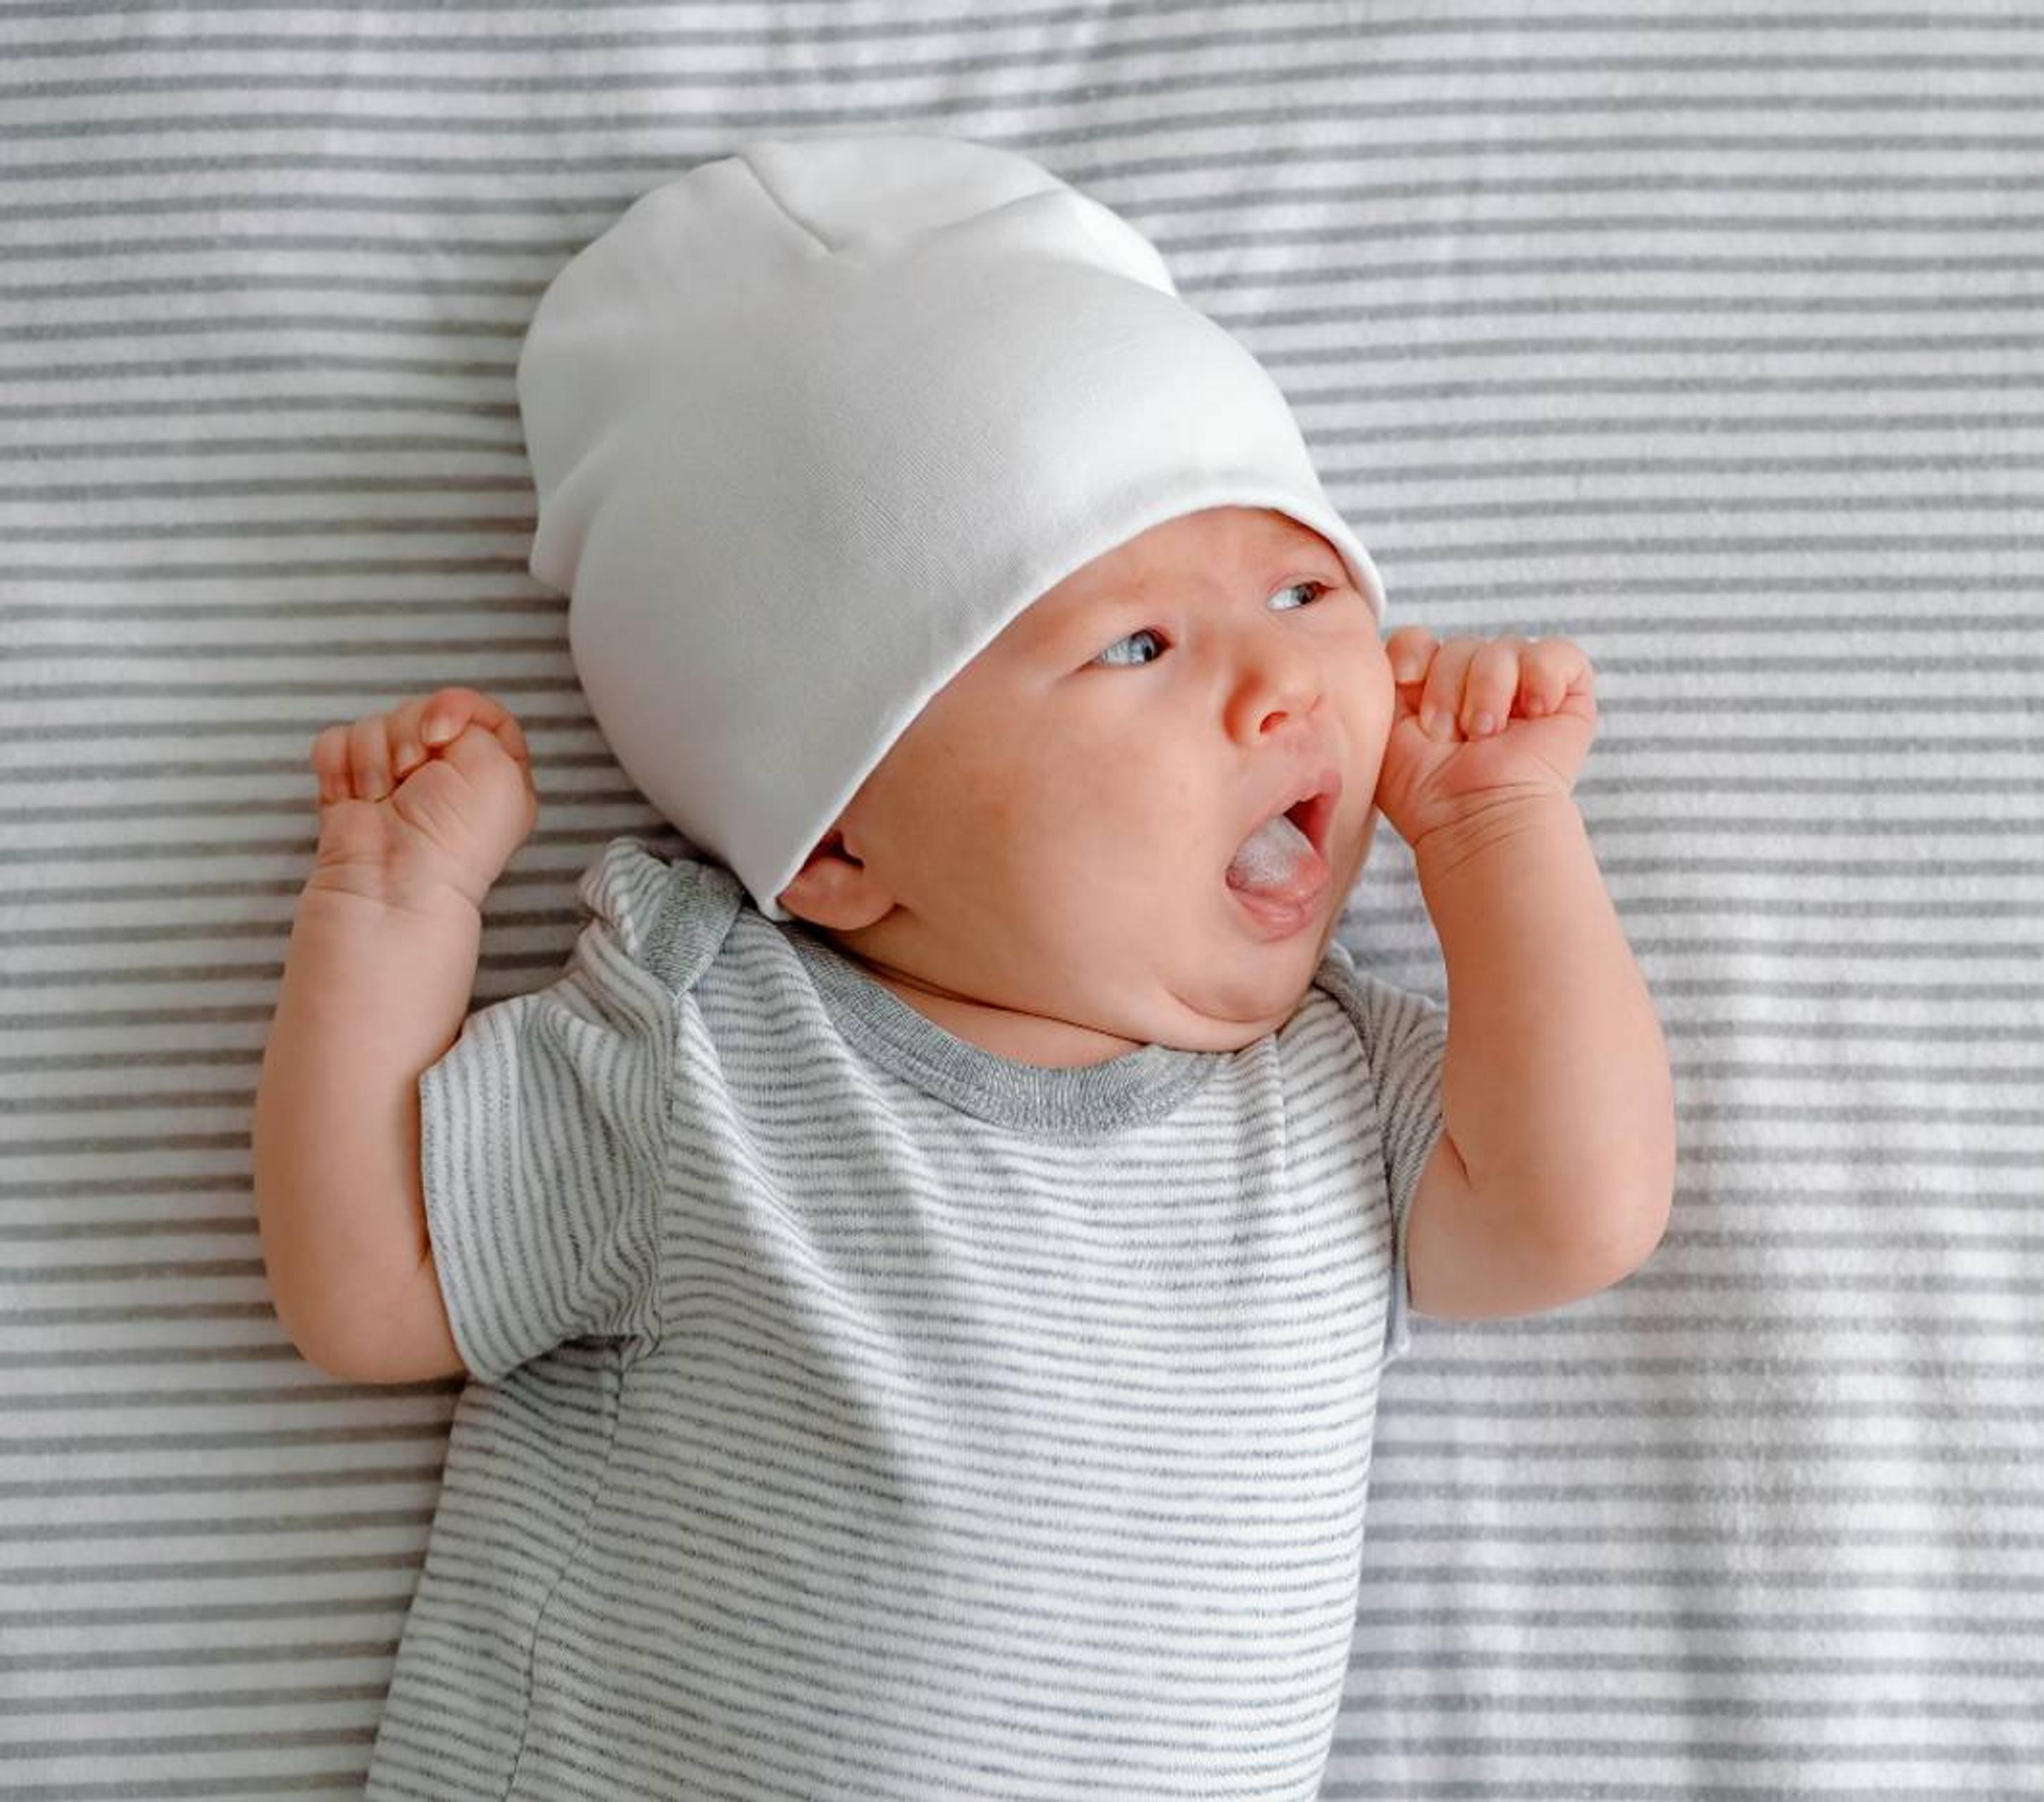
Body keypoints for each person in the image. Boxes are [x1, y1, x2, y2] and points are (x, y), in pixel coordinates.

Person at [249, 134, 1674, 1799]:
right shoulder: (709, 1045)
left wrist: (1499, 832)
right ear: (842, 839)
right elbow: (374, 1279)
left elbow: (1576, 1208)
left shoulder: (1338, 1095)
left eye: (1304, 584)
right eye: (1137, 643)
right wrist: (393, 907)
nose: (1284, 679)